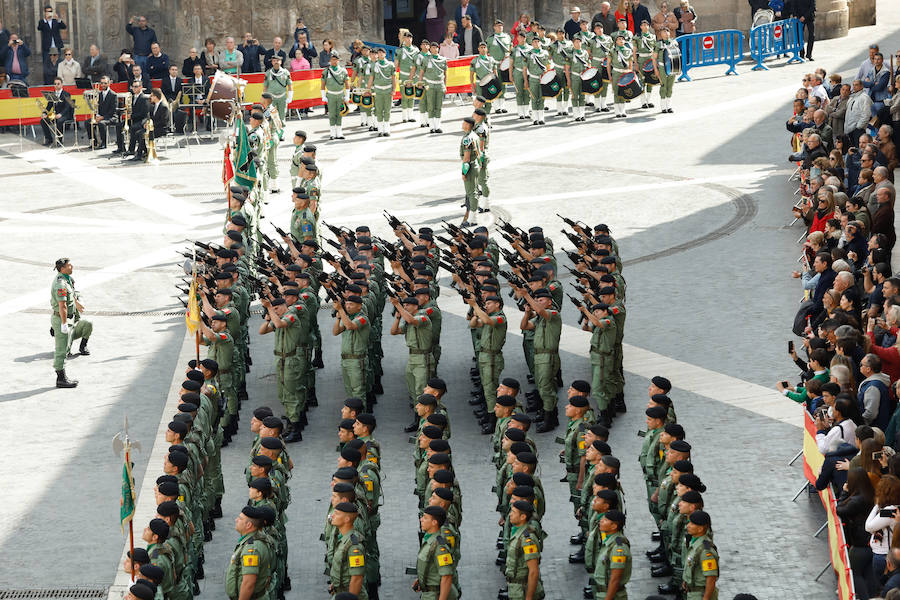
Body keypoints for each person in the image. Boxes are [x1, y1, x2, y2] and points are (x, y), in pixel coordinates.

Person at [50, 257, 91, 388]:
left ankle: (81, 347)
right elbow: (62, 306)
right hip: (63, 319)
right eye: (69, 266)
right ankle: (61, 379)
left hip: (69, 318)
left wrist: (77, 304)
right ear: (62, 269)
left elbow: (71, 296)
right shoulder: (60, 284)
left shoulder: (66, 281)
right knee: (61, 350)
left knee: (86, 324)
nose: (71, 267)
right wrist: (63, 324)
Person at [225, 506, 274, 600]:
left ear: (248, 525)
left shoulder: (251, 549)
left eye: (240, 518)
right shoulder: (254, 540)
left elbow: (248, 583)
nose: (236, 520)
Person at [502, 500, 543, 600]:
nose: (510, 515)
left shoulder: (527, 540)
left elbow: (533, 571)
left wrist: (529, 598)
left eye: (513, 512)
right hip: (516, 590)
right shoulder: (517, 532)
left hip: (523, 591)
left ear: (523, 517)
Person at [415, 505, 458, 600]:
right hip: (428, 593)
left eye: (425, 518)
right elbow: (430, 565)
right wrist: (421, 580)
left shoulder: (440, 547)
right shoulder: (429, 539)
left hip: (435, 595)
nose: (421, 519)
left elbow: (446, 576)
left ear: (434, 522)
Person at [681, 511, 719, 599]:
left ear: (700, 529)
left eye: (692, 524)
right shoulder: (694, 542)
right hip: (692, 592)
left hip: (700, 594)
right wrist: (686, 580)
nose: (688, 526)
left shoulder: (705, 551)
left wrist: (706, 598)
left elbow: (711, 578)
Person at [419, 41, 448, 133]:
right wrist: (420, 82)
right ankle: (432, 126)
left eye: (436, 47)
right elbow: (422, 72)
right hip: (430, 85)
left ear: (438, 49)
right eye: (432, 48)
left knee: (438, 106)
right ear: (430, 49)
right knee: (431, 105)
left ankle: (437, 126)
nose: (434, 49)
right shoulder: (426, 59)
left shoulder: (443, 59)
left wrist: (445, 85)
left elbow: (445, 74)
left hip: (440, 85)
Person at [321, 51, 350, 141]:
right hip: (331, 95)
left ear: (339, 60)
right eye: (333, 59)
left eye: (336, 60)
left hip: (340, 95)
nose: (334, 61)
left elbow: (347, 84)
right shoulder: (326, 71)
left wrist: (347, 95)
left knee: (340, 113)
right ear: (330, 60)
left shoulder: (343, 71)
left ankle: (339, 132)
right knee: (332, 114)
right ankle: (332, 133)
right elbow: (322, 84)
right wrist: (323, 95)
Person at [367, 47, 396, 137]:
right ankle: (380, 130)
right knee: (379, 110)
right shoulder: (374, 65)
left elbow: (394, 78)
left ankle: (386, 129)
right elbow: (371, 78)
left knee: (387, 110)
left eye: (382, 53)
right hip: (378, 90)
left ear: (385, 54)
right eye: (379, 53)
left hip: (388, 90)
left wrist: (394, 89)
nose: (380, 54)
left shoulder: (391, 65)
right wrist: (368, 89)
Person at [39, 76, 73, 146]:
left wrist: (61, 114)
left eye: (58, 84)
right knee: (43, 121)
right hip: (54, 114)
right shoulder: (52, 94)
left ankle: (59, 140)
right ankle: (49, 139)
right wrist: (44, 113)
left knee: (59, 121)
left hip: (64, 114)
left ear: (62, 85)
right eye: (55, 84)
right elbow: (49, 106)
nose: (56, 86)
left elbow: (67, 107)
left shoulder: (66, 94)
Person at [607, 33, 634, 119]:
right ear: (616, 41)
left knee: (624, 91)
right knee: (616, 91)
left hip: (625, 73)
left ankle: (623, 110)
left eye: (622, 39)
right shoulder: (612, 51)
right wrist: (609, 75)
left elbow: (630, 64)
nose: (621, 40)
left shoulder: (628, 50)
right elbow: (608, 64)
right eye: (619, 39)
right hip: (616, 73)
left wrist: (630, 73)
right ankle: (617, 111)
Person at [87, 75, 117, 148]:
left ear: (109, 83)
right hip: (101, 116)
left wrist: (102, 117)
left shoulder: (113, 94)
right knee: (87, 122)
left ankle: (104, 143)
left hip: (111, 117)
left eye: (105, 83)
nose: (103, 85)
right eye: (102, 83)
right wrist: (96, 116)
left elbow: (113, 110)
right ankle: (94, 142)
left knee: (101, 123)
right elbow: (98, 107)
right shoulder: (99, 94)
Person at [264, 55, 291, 135]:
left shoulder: (285, 72)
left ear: (281, 62)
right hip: (271, 98)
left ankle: (281, 134)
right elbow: (265, 86)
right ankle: (272, 134)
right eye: (274, 61)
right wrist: (264, 97)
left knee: (282, 116)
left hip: (282, 97)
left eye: (277, 60)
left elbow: (290, 85)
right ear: (272, 62)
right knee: (271, 116)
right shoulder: (268, 73)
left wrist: (290, 97)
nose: (276, 62)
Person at [525, 35, 549, 126]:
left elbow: (547, 65)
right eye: (534, 42)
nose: (536, 43)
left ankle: (541, 117)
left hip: (543, 79)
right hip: (533, 78)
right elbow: (525, 68)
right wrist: (525, 80)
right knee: (534, 98)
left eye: (538, 41)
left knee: (542, 98)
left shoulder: (545, 53)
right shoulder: (528, 54)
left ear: (540, 43)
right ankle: (535, 118)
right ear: (532, 43)